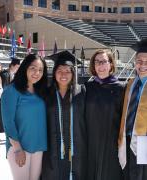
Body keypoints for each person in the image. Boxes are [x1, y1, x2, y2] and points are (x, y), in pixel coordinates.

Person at [41, 50, 87, 180]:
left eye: (68, 71)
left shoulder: (81, 92)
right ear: (54, 72)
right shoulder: (46, 94)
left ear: (73, 73)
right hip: (52, 151)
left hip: (77, 150)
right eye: (60, 70)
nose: (63, 74)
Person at [1, 54, 48, 180]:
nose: (37, 73)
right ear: (25, 68)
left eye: (40, 70)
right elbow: (8, 122)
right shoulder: (12, 90)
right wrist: (17, 149)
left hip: (39, 146)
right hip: (20, 147)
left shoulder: (40, 90)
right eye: (33, 68)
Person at [85, 49, 125, 180]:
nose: (100, 65)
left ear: (111, 64)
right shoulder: (86, 88)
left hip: (111, 143)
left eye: (104, 62)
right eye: (97, 62)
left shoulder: (121, 89)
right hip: (90, 143)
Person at [118, 39, 147, 180]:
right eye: (139, 61)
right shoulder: (130, 84)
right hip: (127, 138)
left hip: (144, 142)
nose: (143, 65)